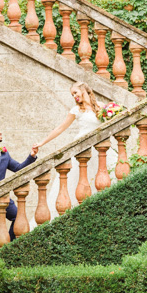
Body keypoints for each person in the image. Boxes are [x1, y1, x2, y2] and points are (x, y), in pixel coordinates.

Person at [33, 82, 110, 211]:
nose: (74, 96)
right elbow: (60, 128)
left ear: (84, 90)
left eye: (75, 92)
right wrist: (42, 142)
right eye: (72, 95)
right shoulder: (76, 110)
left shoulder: (101, 106)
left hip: (99, 149)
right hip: (82, 149)